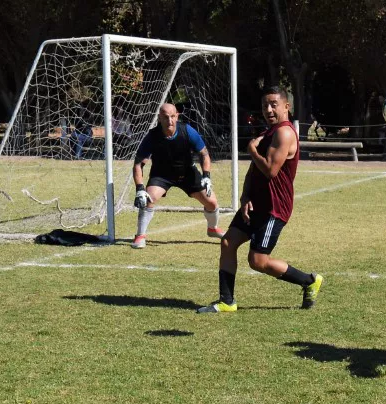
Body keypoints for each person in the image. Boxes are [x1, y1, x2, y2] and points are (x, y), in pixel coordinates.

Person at [197, 87, 322, 313]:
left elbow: (271, 170)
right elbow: (254, 170)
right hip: (255, 203)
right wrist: (245, 196)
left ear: (287, 106)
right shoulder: (268, 132)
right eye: (265, 105)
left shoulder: (284, 133)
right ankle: (226, 301)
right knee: (227, 242)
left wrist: (252, 150)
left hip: (274, 208)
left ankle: (309, 281)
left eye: (274, 104)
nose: (268, 109)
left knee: (258, 261)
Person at [131, 103, 221, 248]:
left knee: (212, 203)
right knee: (149, 197)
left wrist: (206, 176)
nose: (170, 121)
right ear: (159, 118)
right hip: (162, 174)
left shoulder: (188, 131)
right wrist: (140, 188)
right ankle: (140, 236)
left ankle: (213, 229)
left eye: (173, 117)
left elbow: (204, 154)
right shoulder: (152, 136)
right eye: (166, 117)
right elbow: (138, 164)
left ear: (177, 116)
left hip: (188, 173)